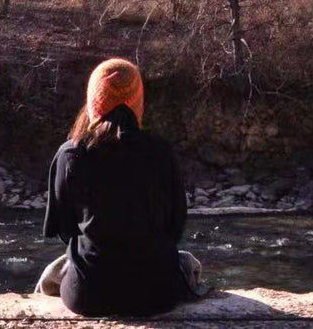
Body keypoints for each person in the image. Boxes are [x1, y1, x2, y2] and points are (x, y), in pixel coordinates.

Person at [34, 57, 205, 316]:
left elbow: (66, 230)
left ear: (94, 99)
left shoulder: (70, 154)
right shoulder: (160, 151)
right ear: (138, 101)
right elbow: (175, 226)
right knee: (186, 262)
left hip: (89, 296)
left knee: (54, 272)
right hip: (157, 295)